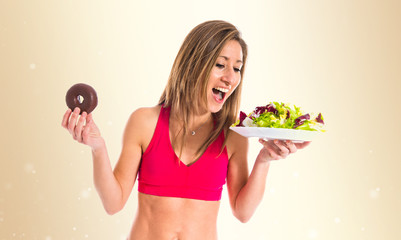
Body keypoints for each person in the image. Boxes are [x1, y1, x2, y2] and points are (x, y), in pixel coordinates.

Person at [62, 20, 310, 240]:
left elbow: (243, 212)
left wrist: (264, 160)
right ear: (194, 64)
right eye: (220, 65)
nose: (230, 78)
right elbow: (113, 203)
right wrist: (98, 148)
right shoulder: (144, 122)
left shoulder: (233, 135)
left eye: (237, 68)